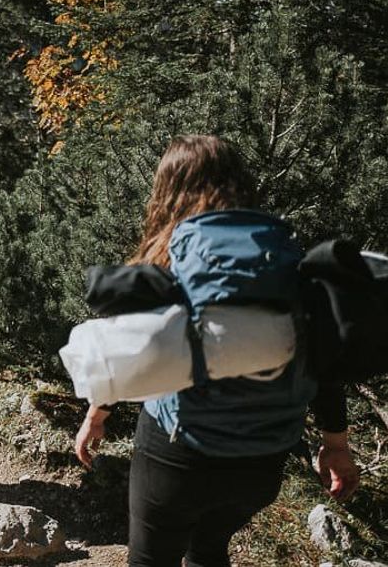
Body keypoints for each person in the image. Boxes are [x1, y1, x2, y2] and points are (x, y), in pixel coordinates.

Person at [73, 135, 360, 567]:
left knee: (151, 561)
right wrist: (335, 445)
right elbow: (325, 363)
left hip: (178, 457)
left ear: (169, 189)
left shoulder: (169, 259)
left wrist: (97, 414)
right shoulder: (285, 262)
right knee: (208, 551)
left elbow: (132, 350)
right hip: (262, 464)